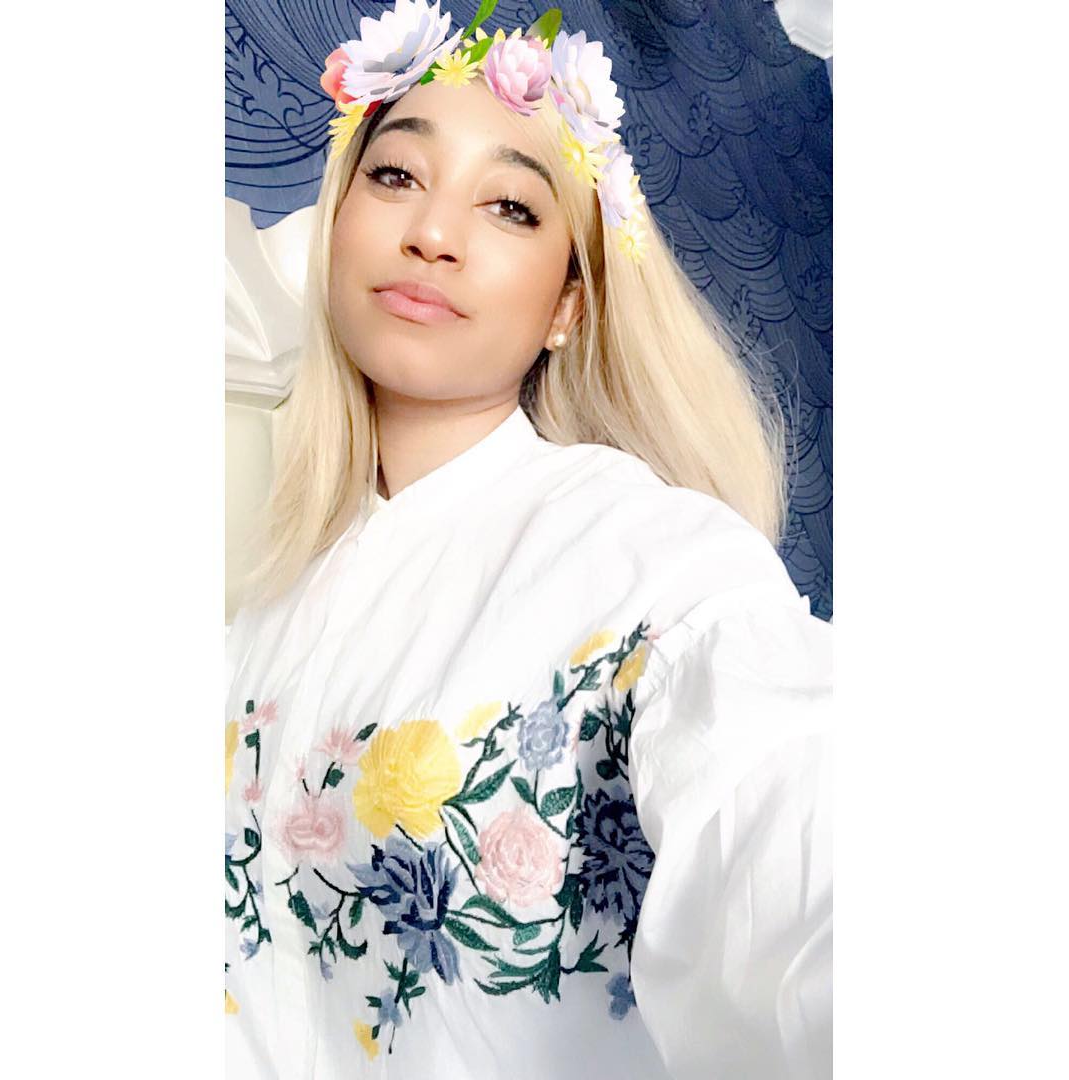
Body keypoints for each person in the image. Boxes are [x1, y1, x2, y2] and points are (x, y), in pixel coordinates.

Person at [224, 4, 832, 1078]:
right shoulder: (261, 603)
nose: (433, 233)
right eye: (397, 176)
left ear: (568, 305)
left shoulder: (656, 561)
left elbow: (800, 847)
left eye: (508, 205)